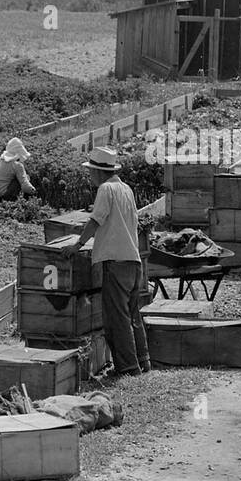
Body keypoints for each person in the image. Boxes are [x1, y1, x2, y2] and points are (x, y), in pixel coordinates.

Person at [62, 147, 151, 380]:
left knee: (116, 318)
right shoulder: (126, 189)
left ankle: (128, 368)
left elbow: (95, 221)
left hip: (116, 261)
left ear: (98, 171)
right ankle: (143, 361)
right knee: (132, 315)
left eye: (91, 171)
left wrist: (77, 245)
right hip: (133, 261)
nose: (90, 175)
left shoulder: (105, 189)